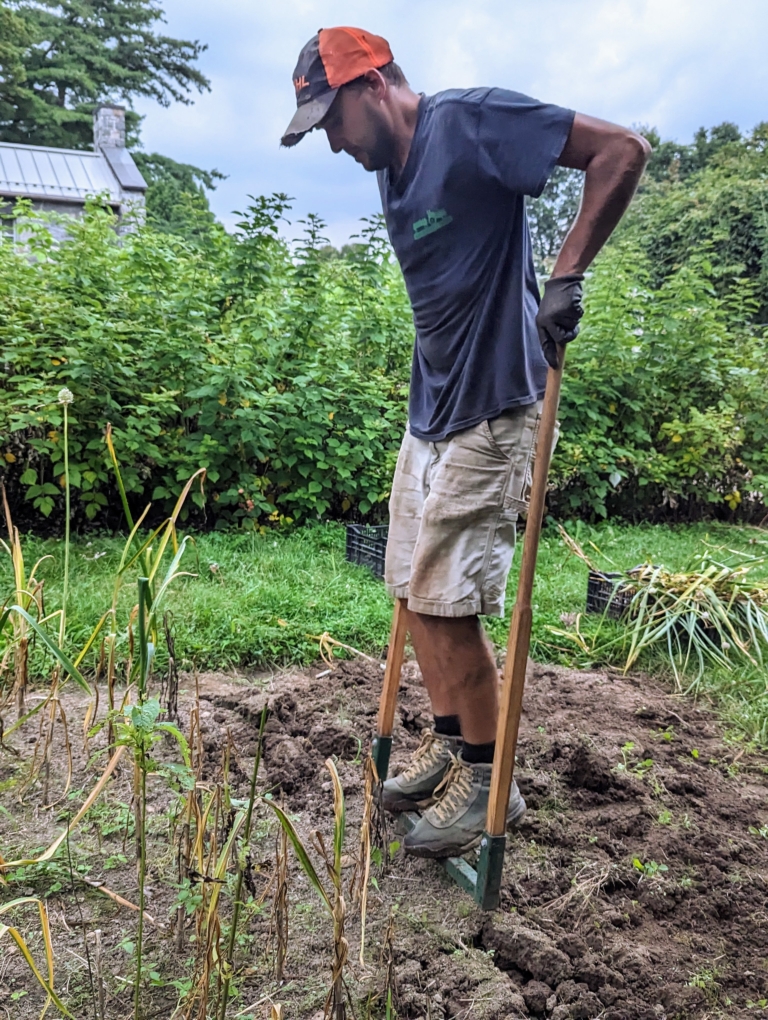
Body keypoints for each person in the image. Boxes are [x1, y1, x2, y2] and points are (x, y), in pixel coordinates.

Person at [281, 26, 650, 858]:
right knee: (410, 592)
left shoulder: (471, 122)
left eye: (331, 119)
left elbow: (622, 150)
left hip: (493, 405)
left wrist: (566, 276)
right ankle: (453, 746)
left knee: (450, 604)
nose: (331, 142)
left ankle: (492, 783)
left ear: (373, 86)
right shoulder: (389, 170)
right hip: (431, 410)